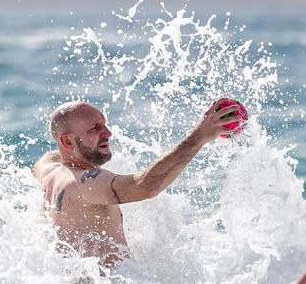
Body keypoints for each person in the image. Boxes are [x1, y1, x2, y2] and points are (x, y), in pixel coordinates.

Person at [32, 99, 241, 266]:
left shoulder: (48, 169)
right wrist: (199, 137)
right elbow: (146, 186)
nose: (107, 133)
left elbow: (43, 162)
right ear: (67, 141)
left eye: (104, 124)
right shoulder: (85, 183)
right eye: (94, 128)